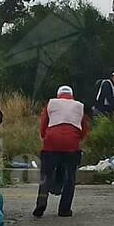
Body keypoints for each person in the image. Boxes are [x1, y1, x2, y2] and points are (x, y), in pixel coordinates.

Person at [35, 85, 89, 218]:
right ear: (72, 95)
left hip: (51, 142)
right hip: (71, 144)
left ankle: (41, 203)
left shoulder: (51, 103)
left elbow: (44, 125)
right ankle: (64, 210)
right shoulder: (79, 106)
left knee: (46, 175)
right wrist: (76, 139)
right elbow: (84, 129)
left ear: (58, 95)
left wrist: (45, 137)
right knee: (70, 177)